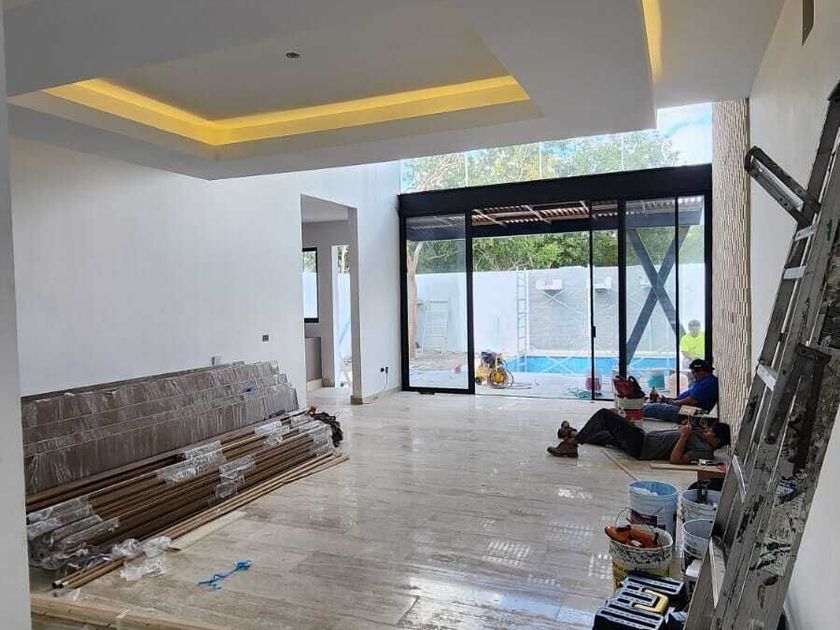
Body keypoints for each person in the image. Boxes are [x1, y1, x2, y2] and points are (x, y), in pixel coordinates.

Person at [548, 408, 730, 464]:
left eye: (710, 432)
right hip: (644, 439)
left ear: (717, 441)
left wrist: (684, 436)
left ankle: (572, 444)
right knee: (608, 436)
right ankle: (571, 433)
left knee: (605, 415)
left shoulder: (705, 452)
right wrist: (684, 430)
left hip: (642, 446)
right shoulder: (700, 438)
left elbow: (676, 459)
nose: (706, 432)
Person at [644, 358, 718, 422]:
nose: (693, 375)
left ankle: (637, 412)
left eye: (693, 372)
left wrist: (674, 402)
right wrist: (671, 401)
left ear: (701, 370)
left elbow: (691, 401)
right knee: (652, 405)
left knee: (653, 408)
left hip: (690, 411)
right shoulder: (702, 381)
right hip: (685, 408)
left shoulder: (708, 383)